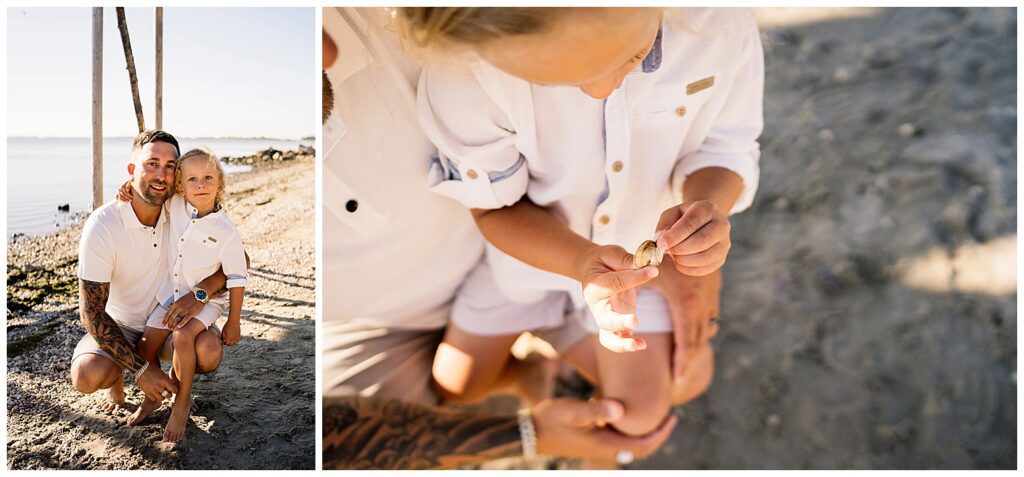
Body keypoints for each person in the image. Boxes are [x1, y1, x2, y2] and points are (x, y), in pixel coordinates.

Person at [400, 6, 763, 462]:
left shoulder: (717, 23)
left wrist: (708, 206)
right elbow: (495, 209)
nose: (601, 88)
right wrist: (580, 265)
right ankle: (531, 371)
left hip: (635, 269)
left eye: (632, 57)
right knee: (457, 385)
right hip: (531, 259)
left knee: (640, 414)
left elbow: (725, 146)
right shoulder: (464, 72)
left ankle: (567, 336)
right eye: (557, 82)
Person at [322, 7, 675, 467]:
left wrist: (681, 257)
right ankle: (526, 371)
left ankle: (545, 364)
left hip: (546, 247)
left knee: (663, 391)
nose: (327, 48)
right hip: (377, 325)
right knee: (455, 388)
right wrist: (527, 434)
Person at [70, 130, 234, 416]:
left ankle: (179, 392)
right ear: (132, 170)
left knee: (208, 351)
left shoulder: (181, 209)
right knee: (87, 376)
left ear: (178, 176)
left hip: (172, 319)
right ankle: (117, 381)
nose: (161, 174)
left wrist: (199, 295)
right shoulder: (103, 225)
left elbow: (237, 259)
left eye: (170, 166)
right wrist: (142, 370)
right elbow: (91, 313)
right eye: (152, 164)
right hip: (121, 325)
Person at [116, 147, 248, 442]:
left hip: (207, 303)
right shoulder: (174, 205)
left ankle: (182, 400)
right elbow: (146, 193)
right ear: (180, 185)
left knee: (184, 335)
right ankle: (154, 396)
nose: (200, 185)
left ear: (220, 184)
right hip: (171, 295)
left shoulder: (226, 231)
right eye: (192, 179)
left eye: (208, 178)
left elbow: (238, 277)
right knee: (147, 345)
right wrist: (127, 187)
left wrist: (234, 321)